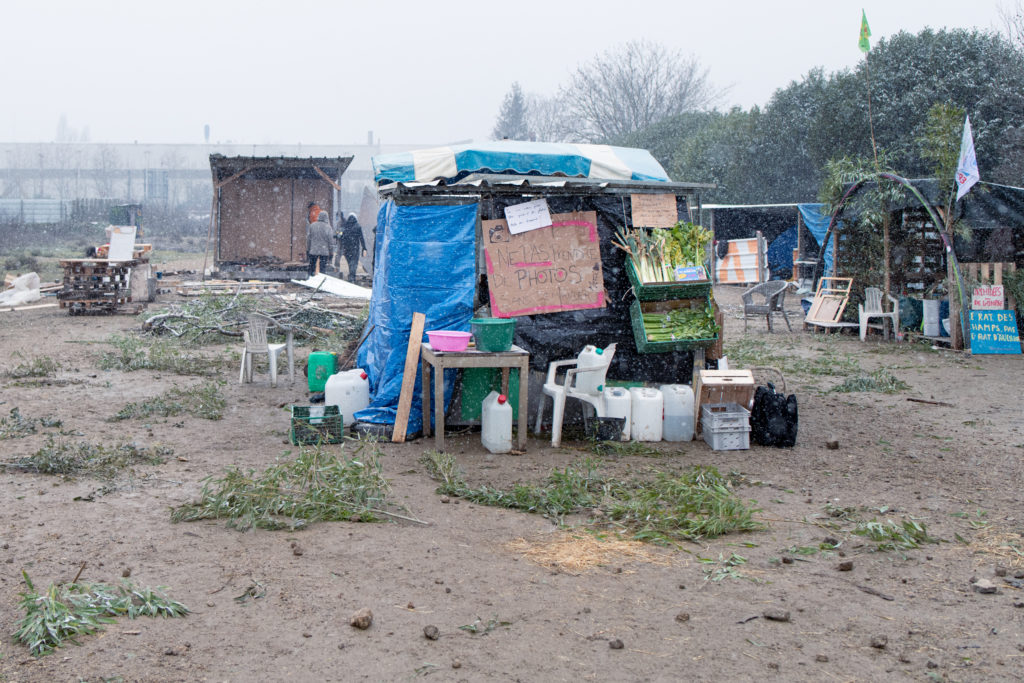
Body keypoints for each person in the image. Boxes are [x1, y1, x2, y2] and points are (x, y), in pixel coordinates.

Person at [337, 212, 367, 282]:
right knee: (354, 263)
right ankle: (352, 276)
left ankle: (351, 275)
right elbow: (361, 238)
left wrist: (338, 236)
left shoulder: (345, 226)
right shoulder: (358, 226)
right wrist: (364, 248)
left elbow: (340, 236)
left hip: (347, 248)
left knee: (350, 262)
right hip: (355, 248)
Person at [306, 210, 335, 277]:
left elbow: (308, 239)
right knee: (322, 269)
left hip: (313, 250)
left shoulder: (312, 226)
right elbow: (330, 242)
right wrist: (331, 252)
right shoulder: (328, 227)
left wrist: (308, 249)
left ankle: (311, 280)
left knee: (312, 267)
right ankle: (321, 280)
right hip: (324, 251)